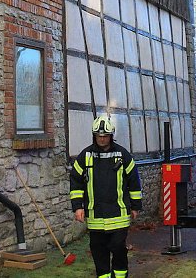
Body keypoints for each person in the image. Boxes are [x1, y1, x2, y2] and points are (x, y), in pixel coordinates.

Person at [70, 114, 142, 278]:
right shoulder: (85, 156)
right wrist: (78, 207)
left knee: (118, 247)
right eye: (99, 136)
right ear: (94, 136)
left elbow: (134, 181)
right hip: (95, 215)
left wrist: (136, 206)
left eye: (105, 136)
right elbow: (75, 181)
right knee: (98, 251)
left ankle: (120, 276)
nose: (102, 139)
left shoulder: (123, 155)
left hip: (119, 213)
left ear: (111, 136)